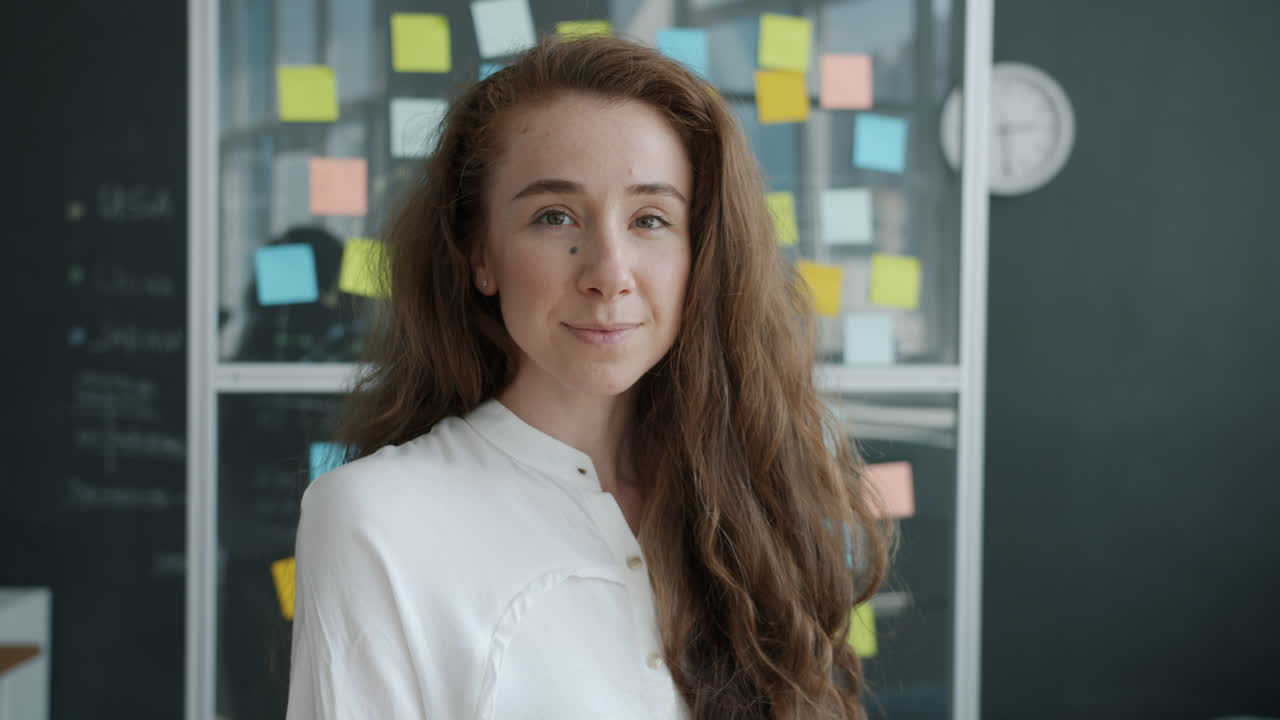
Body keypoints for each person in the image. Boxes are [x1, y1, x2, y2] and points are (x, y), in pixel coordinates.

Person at [286, 34, 890, 720]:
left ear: (703, 255)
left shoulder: (752, 496)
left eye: (650, 219)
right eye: (554, 217)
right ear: (480, 253)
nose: (608, 273)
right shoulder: (373, 519)